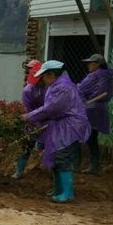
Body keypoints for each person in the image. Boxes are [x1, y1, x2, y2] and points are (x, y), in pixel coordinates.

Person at [22, 60, 90, 203]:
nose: (42, 80)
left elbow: (51, 108)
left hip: (69, 128)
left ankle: (67, 193)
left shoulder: (63, 88)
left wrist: (29, 116)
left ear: (51, 74)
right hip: (61, 126)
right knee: (56, 158)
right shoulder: (57, 86)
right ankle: (59, 190)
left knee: (62, 158)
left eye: (44, 76)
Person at [77, 53, 113, 175]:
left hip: (90, 108)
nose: (89, 65)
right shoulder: (108, 76)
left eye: (91, 63)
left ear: (97, 64)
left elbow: (82, 89)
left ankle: (79, 164)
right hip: (99, 109)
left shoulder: (95, 75)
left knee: (87, 136)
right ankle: (94, 164)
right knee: (92, 136)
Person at [12, 60, 46, 179]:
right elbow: (28, 109)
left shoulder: (50, 88)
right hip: (32, 120)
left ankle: (47, 169)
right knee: (26, 146)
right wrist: (33, 121)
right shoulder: (29, 90)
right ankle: (19, 171)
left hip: (48, 121)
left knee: (48, 146)